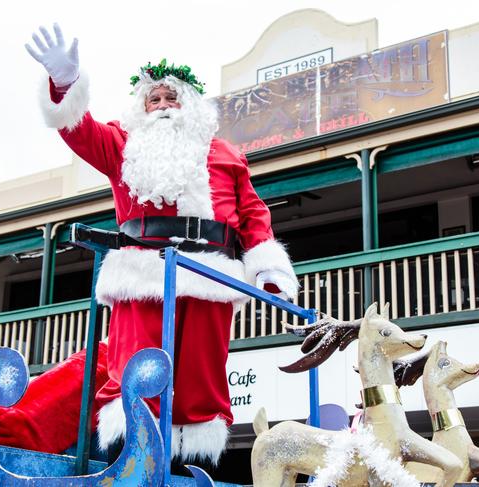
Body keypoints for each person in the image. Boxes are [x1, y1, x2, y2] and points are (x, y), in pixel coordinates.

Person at [25, 24, 299, 468]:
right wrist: (65, 84)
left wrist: (268, 266)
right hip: (143, 275)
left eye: (172, 98)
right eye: (155, 100)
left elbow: (251, 214)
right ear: (142, 107)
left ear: (190, 106)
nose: (164, 106)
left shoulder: (226, 154)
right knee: (138, 368)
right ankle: (127, 456)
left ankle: (192, 464)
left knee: (202, 381)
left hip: (211, 275)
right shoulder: (122, 144)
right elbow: (78, 130)